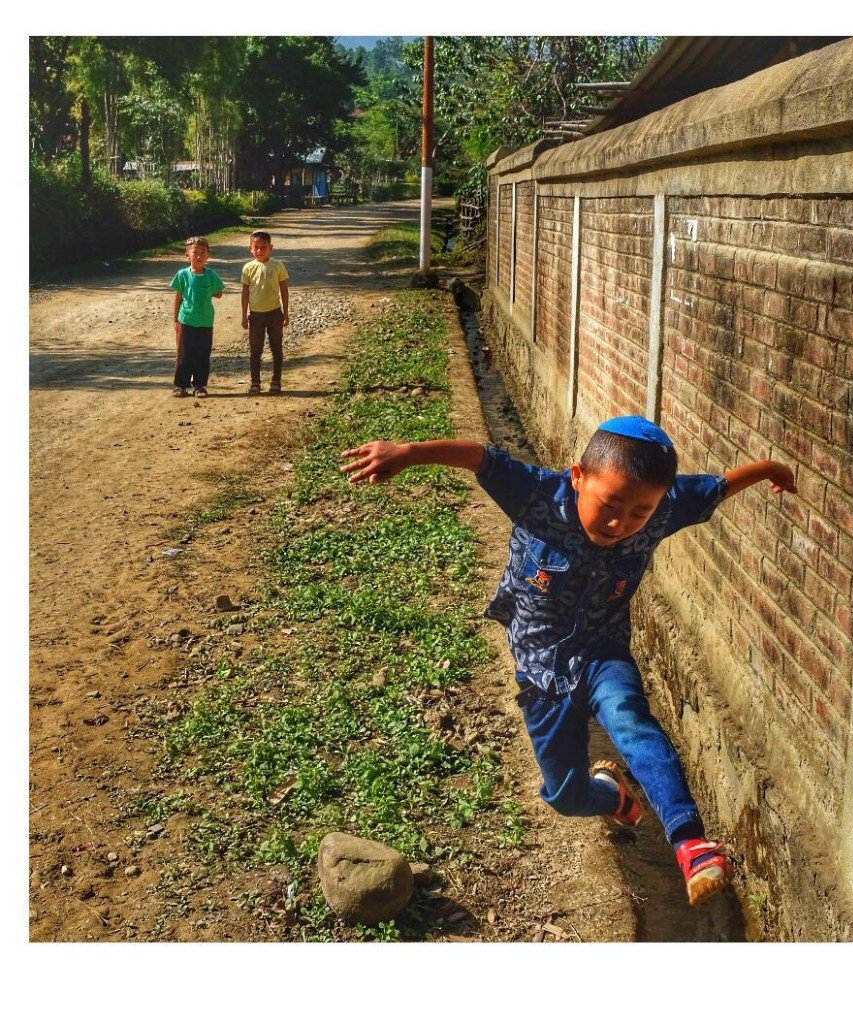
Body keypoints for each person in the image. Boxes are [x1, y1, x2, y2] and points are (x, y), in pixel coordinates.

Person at [340, 416, 797, 906]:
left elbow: (719, 486)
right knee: (565, 796)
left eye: (639, 513)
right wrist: (409, 452)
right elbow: (482, 458)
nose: (620, 524)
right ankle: (612, 794)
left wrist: (772, 469)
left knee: (630, 719)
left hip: (603, 652)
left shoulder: (664, 508)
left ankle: (690, 844)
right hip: (541, 669)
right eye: (610, 506)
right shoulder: (538, 495)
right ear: (578, 476)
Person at [170, 236, 224, 398]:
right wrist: (175, 320)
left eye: (203, 252)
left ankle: (199, 386)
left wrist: (205, 290)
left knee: (202, 354)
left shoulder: (211, 275)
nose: (199, 256)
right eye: (195, 252)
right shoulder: (182, 275)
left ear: (208, 255)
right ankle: (181, 385)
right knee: (184, 354)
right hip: (186, 320)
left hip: (205, 322)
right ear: (187, 255)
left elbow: (219, 293)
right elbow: (178, 298)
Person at [241, 230, 290, 395]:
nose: (259, 250)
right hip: (256, 315)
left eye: (263, 247)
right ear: (250, 248)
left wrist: (286, 312)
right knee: (255, 350)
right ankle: (255, 382)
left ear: (271, 248)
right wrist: (244, 315)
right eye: (256, 247)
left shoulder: (278, 266)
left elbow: (284, 290)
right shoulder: (248, 268)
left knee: (276, 348)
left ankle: (276, 381)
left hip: (275, 313)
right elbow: (245, 293)